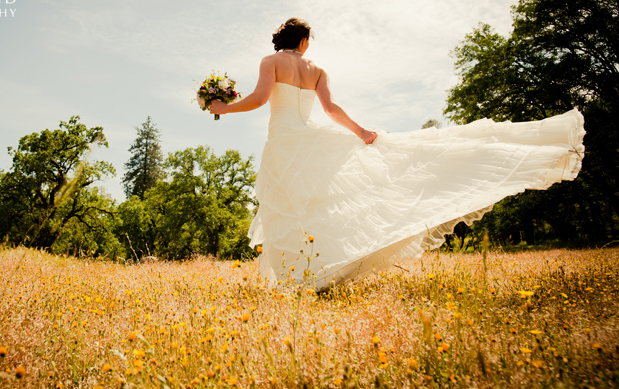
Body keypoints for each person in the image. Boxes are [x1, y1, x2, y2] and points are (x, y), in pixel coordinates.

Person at [211, 18, 585, 290]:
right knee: (320, 204)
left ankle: (300, 278)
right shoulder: (317, 69)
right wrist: (360, 132)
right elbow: (330, 109)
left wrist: (221, 108)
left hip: (282, 143)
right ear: (304, 41)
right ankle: (314, 275)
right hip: (307, 138)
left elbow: (260, 99)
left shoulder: (270, 61)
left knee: (288, 207)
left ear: (283, 40)